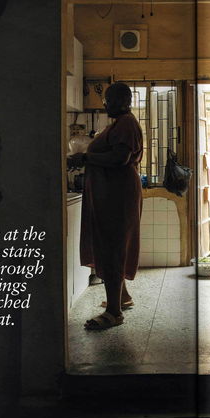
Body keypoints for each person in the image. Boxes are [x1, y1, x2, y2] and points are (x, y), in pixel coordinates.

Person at [68, 82, 143, 330]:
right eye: (106, 100)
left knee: (113, 247)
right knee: (113, 246)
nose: (107, 104)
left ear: (125, 100)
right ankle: (122, 297)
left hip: (117, 195)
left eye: (110, 100)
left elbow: (120, 158)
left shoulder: (126, 124)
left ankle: (114, 313)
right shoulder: (120, 123)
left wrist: (85, 157)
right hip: (112, 193)